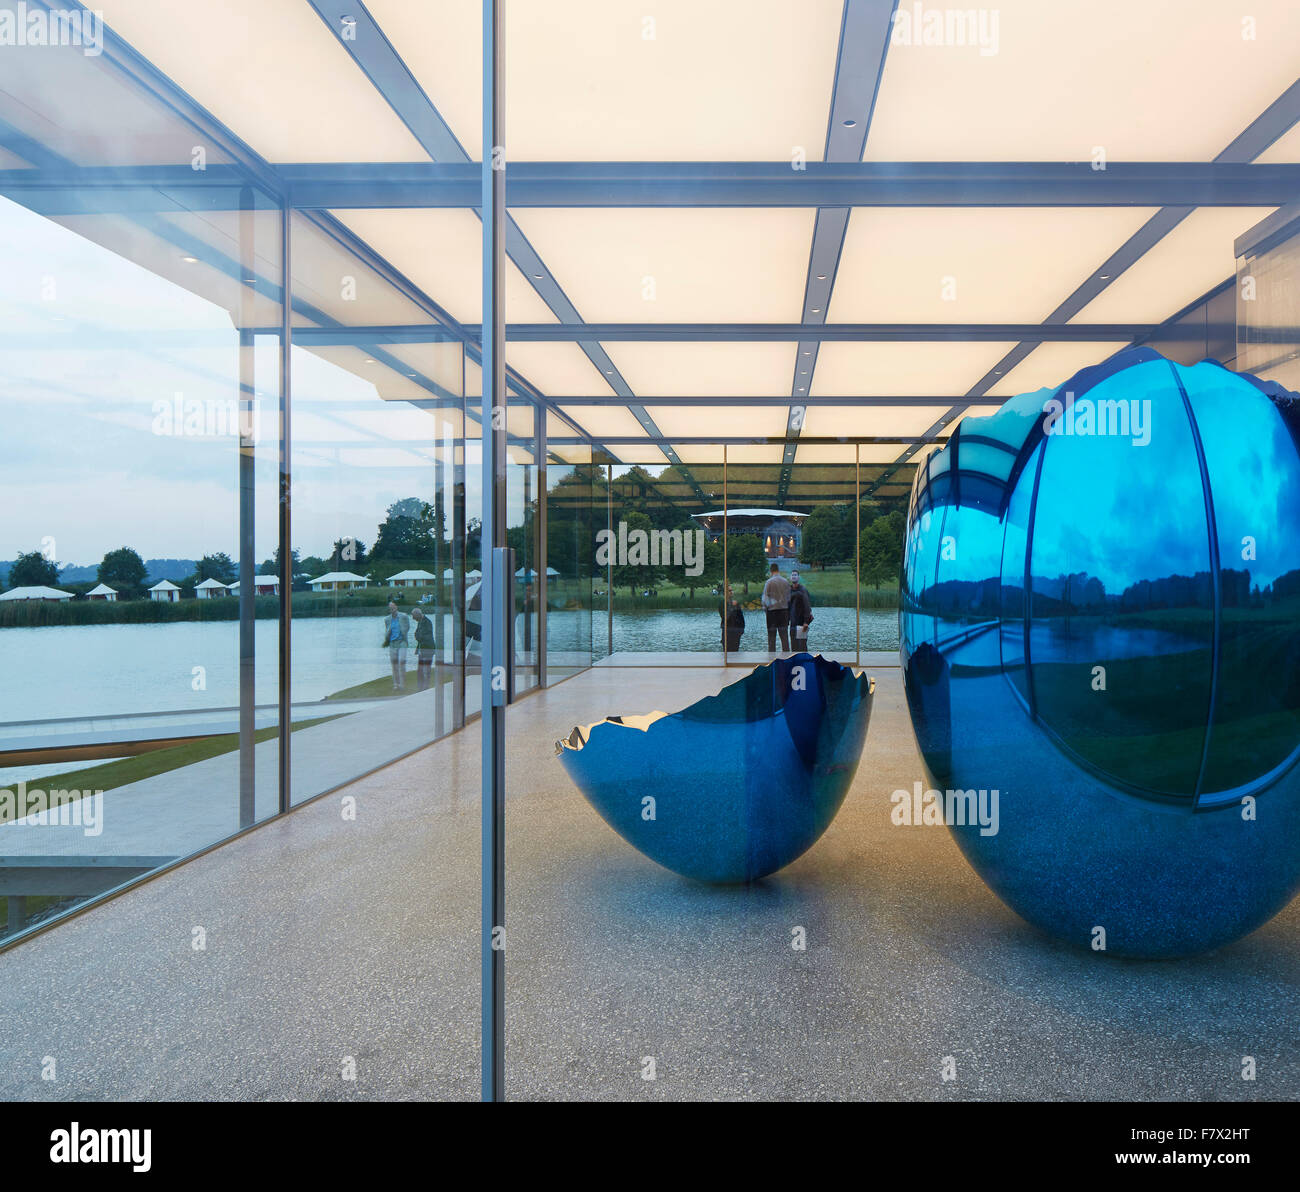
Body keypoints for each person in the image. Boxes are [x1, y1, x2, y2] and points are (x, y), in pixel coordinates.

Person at [381, 600, 411, 691]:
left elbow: (407, 628)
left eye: (393, 607)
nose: (392, 609)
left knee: (401, 662)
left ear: (396, 607)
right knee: (394, 665)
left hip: (402, 642)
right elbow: (387, 631)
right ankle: (396, 684)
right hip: (392, 643)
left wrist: (402, 632)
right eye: (390, 608)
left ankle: (402, 684)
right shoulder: (387, 619)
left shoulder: (404, 616)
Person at [761, 562, 791, 652]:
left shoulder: (769, 582)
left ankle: (771, 659)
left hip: (772, 612)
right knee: (784, 637)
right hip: (784, 612)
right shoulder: (785, 582)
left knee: (771, 638)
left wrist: (765, 608)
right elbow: (789, 598)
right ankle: (786, 658)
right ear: (778, 570)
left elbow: (765, 599)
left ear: (771, 571)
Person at [788, 570, 813, 652]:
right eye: (792, 575)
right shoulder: (789, 590)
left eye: (795, 575)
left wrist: (806, 621)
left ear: (798, 577)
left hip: (802, 623)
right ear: (790, 577)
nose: (794, 576)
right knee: (794, 648)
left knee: (802, 647)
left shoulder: (803, 590)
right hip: (792, 623)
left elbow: (807, 606)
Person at [412, 606, 435, 691]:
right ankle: (420, 687)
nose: (414, 619)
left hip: (428, 649)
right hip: (421, 650)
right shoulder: (420, 621)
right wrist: (418, 636)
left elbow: (425, 636)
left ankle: (426, 687)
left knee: (426, 669)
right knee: (420, 669)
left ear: (418, 615)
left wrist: (418, 636)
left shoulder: (427, 622)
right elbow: (416, 633)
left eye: (414, 617)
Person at [719, 583, 744, 652]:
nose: (731, 592)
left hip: (736, 632)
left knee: (735, 653)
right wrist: (731, 607)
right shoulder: (722, 603)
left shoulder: (735, 603)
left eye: (731, 590)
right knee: (727, 653)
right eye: (729, 591)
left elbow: (741, 617)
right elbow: (724, 617)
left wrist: (742, 630)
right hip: (727, 632)